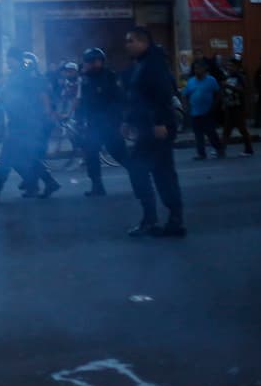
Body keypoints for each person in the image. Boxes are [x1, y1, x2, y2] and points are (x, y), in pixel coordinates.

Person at [122, 27, 186, 238]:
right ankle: (159, 219)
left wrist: (159, 122)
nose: (127, 45)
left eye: (131, 40)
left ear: (143, 42)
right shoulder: (141, 64)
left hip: (157, 127)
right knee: (153, 171)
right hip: (146, 126)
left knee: (157, 172)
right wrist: (128, 121)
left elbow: (162, 94)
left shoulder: (154, 63)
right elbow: (137, 96)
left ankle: (163, 219)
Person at [0, 48, 60, 205]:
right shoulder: (15, 76)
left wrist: (48, 112)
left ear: (15, 59)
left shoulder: (26, 75)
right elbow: (3, 95)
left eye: (8, 59)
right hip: (18, 122)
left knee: (6, 158)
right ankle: (49, 183)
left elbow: (42, 94)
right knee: (25, 158)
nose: (7, 62)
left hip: (26, 123)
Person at [77, 48, 127, 196]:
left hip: (110, 124)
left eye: (89, 62)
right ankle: (97, 186)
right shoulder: (85, 79)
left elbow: (119, 100)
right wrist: (80, 120)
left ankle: (139, 176)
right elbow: (82, 102)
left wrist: (117, 121)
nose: (86, 65)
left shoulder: (110, 77)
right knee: (91, 154)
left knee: (118, 153)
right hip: (93, 124)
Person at [183, 59, 224, 160]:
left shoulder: (211, 80)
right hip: (194, 112)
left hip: (208, 112)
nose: (197, 70)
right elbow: (185, 95)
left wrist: (214, 106)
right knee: (198, 135)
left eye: (199, 68)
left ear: (204, 69)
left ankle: (219, 149)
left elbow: (218, 94)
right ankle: (201, 154)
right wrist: (187, 108)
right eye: (195, 68)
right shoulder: (191, 81)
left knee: (211, 132)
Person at [220, 55, 254, 157]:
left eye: (231, 66)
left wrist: (228, 86)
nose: (229, 68)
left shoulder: (240, 77)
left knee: (242, 129)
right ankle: (221, 150)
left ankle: (249, 150)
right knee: (227, 130)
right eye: (228, 66)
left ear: (237, 67)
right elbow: (226, 92)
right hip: (230, 107)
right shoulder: (228, 77)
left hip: (238, 108)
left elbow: (244, 91)